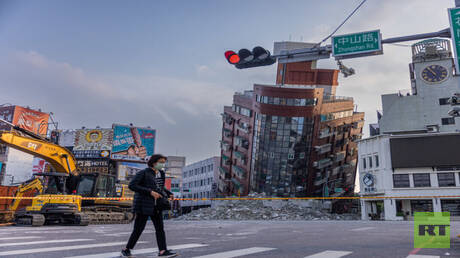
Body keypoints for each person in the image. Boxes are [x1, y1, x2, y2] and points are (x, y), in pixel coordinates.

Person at [121, 154, 177, 257]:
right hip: (144, 205)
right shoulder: (144, 173)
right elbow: (132, 185)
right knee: (139, 229)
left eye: (163, 163)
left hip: (157, 205)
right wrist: (150, 192)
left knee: (160, 228)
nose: (162, 165)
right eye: (160, 162)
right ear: (154, 162)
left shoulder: (161, 173)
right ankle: (126, 249)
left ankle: (163, 251)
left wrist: (169, 193)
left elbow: (160, 187)